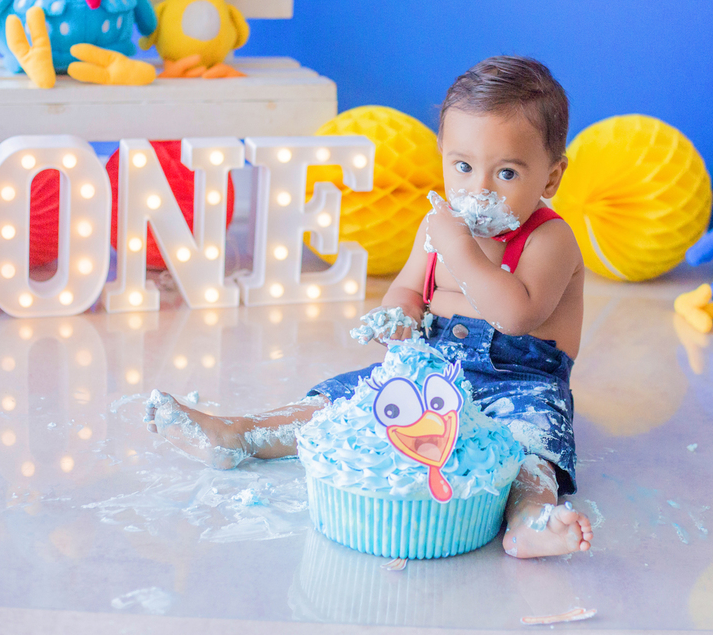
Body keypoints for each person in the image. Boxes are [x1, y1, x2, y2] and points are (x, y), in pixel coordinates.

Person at [145, 56, 593, 558]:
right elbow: (407, 289)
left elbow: (517, 315)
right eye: (463, 167)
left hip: (520, 382)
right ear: (443, 156)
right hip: (434, 369)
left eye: (506, 172)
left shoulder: (549, 240)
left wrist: (459, 248)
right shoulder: (435, 230)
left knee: (531, 449)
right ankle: (240, 434)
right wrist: (398, 318)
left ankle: (531, 518)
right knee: (343, 401)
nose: (479, 189)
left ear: (551, 179)